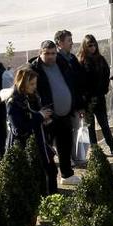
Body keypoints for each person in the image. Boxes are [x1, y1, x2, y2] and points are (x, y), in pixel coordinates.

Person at [29, 40, 82, 186]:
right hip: (47, 117)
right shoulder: (33, 69)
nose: (51, 56)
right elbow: (28, 91)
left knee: (65, 145)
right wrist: (38, 112)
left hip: (65, 114)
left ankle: (66, 175)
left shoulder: (63, 63)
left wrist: (78, 105)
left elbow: (72, 84)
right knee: (46, 149)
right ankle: (46, 178)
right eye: (47, 53)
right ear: (40, 53)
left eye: (53, 53)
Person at [5, 66, 56, 194]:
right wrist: (39, 116)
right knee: (33, 181)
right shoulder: (13, 102)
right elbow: (19, 130)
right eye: (31, 84)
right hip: (25, 148)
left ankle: (52, 202)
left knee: (51, 171)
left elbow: (35, 118)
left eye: (35, 83)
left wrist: (44, 120)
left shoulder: (33, 97)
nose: (34, 87)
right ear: (22, 83)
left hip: (41, 144)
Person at [55, 29, 92, 164]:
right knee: (64, 133)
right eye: (69, 40)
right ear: (59, 43)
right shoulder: (57, 61)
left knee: (76, 130)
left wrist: (81, 105)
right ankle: (67, 158)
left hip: (75, 103)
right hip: (63, 105)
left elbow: (79, 83)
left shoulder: (72, 59)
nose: (72, 43)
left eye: (71, 40)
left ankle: (77, 156)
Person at [79, 34, 113, 156]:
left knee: (104, 124)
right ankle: (95, 150)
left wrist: (103, 90)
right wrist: (85, 96)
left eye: (94, 45)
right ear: (85, 46)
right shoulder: (82, 61)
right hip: (87, 99)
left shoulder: (100, 59)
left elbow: (106, 75)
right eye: (89, 45)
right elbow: (81, 81)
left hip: (100, 97)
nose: (92, 48)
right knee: (90, 126)